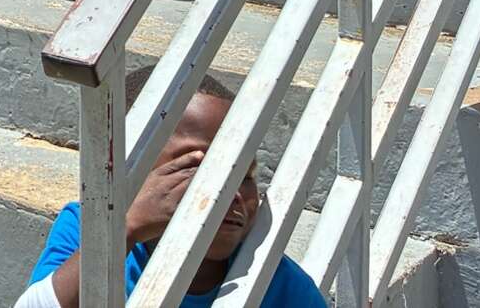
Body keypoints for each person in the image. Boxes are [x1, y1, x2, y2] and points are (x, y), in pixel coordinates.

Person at [19, 72, 324, 308]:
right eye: (200, 169)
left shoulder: (277, 282)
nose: (231, 193)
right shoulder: (87, 227)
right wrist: (126, 229)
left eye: (245, 176)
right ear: (132, 172)